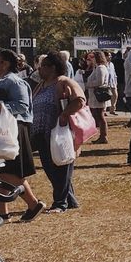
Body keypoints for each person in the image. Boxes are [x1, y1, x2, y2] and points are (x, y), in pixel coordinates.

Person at [0, 49, 44, 222]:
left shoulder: (15, 81)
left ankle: (33, 204)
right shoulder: (2, 80)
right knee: (2, 170)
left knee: (10, 171)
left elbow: (22, 105)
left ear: (6, 64)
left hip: (14, 128)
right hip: (4, 128)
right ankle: (3, 213)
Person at [30, 51, 86, 213]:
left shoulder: (63, 82)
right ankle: (70, 200)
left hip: (59, 133)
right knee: (50, 169)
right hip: (41, 134)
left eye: (43, 66)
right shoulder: (41, 85)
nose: (39, 69)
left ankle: (60, 204)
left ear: (53, 68)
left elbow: (80, 100)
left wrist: (64, 114)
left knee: (61, 167)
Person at [85, 51, 115, 144]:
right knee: (98, 115)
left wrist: (88, 84)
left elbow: (100, 81)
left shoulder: (100, 68)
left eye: (93, 57)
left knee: (100, 116)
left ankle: (103, 136)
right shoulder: (97, 67)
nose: (91, 59)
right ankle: (102, 135)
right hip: (96, 95)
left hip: (98, 95)